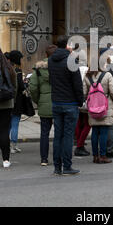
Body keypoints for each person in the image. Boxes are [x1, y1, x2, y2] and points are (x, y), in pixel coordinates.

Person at [48, 35, 84, 176]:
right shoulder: (71, 60)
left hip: (56, 101)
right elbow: (77, 84)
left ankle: (57, 166)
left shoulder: (51, 60)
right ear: (67, 45)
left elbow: (52, 80)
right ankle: (67, 166)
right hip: (69, 102)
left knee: (58, 135)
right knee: (68, 136)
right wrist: (80, 100)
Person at [83, 49, 113, 164]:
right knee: (103, 131)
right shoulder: (107, 75)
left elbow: (83, 93)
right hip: (105, 106)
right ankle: (103, 155)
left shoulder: (87, 77)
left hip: (92, 107)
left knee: (94, 132)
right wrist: (111, 100)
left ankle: (95, 156)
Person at [30, 45, 57, 166]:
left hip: (44, 103)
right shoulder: (62, 66)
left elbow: (33, 87)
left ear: (46, 55)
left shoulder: (38, 69)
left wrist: (38, 100)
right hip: (59, 102)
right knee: (59, 132)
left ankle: (44, 159)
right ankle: (58, 157)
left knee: (44, 133)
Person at [74, 47, 91, 157]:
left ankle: (79, 141)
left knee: (79, 122)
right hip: (85, 99)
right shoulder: (85, 70)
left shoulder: (73, 68)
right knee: (88, 123)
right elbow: (85, 87)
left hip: (74, 99)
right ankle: (80, 145)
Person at [8, 50, 25, 154]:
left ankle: (6, 144)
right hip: (17, 100)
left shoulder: (6, 68)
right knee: (15, 123)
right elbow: (20, 86)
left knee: (8, 124)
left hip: (6, 99)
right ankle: (13, 145)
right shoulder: (17, 71)